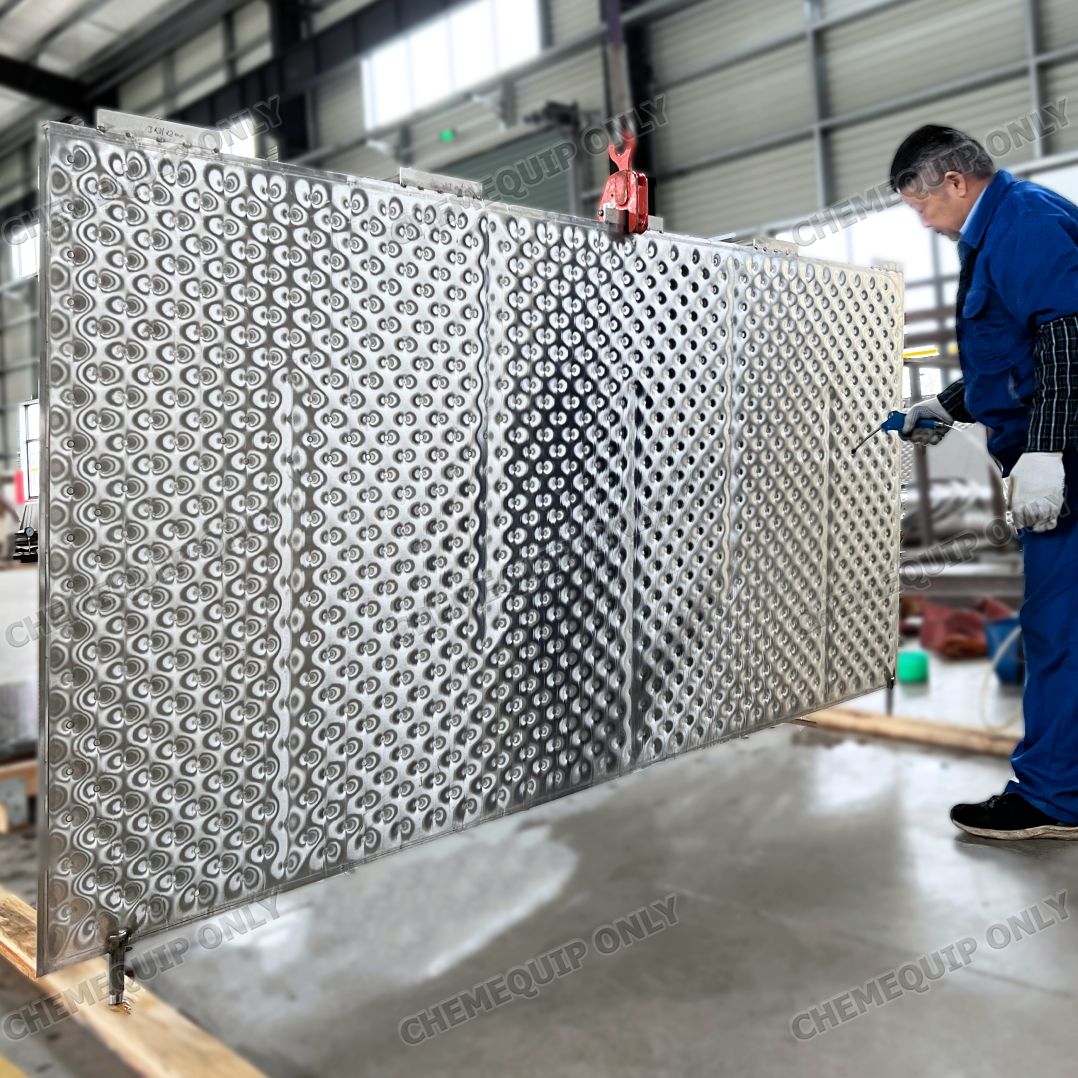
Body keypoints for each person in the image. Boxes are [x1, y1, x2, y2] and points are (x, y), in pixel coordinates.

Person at [890, 125, 1078, 840]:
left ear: (955, 183)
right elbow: (1016, 357)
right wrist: (947, 405)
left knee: (1057, 629)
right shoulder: (1010, 224)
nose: (922, 219)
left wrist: (1049, 451)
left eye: (919, 205)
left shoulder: (1022, 223)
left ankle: (1056, 798)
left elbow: (1068, 334)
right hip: (1059, 449)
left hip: (1069, 461)